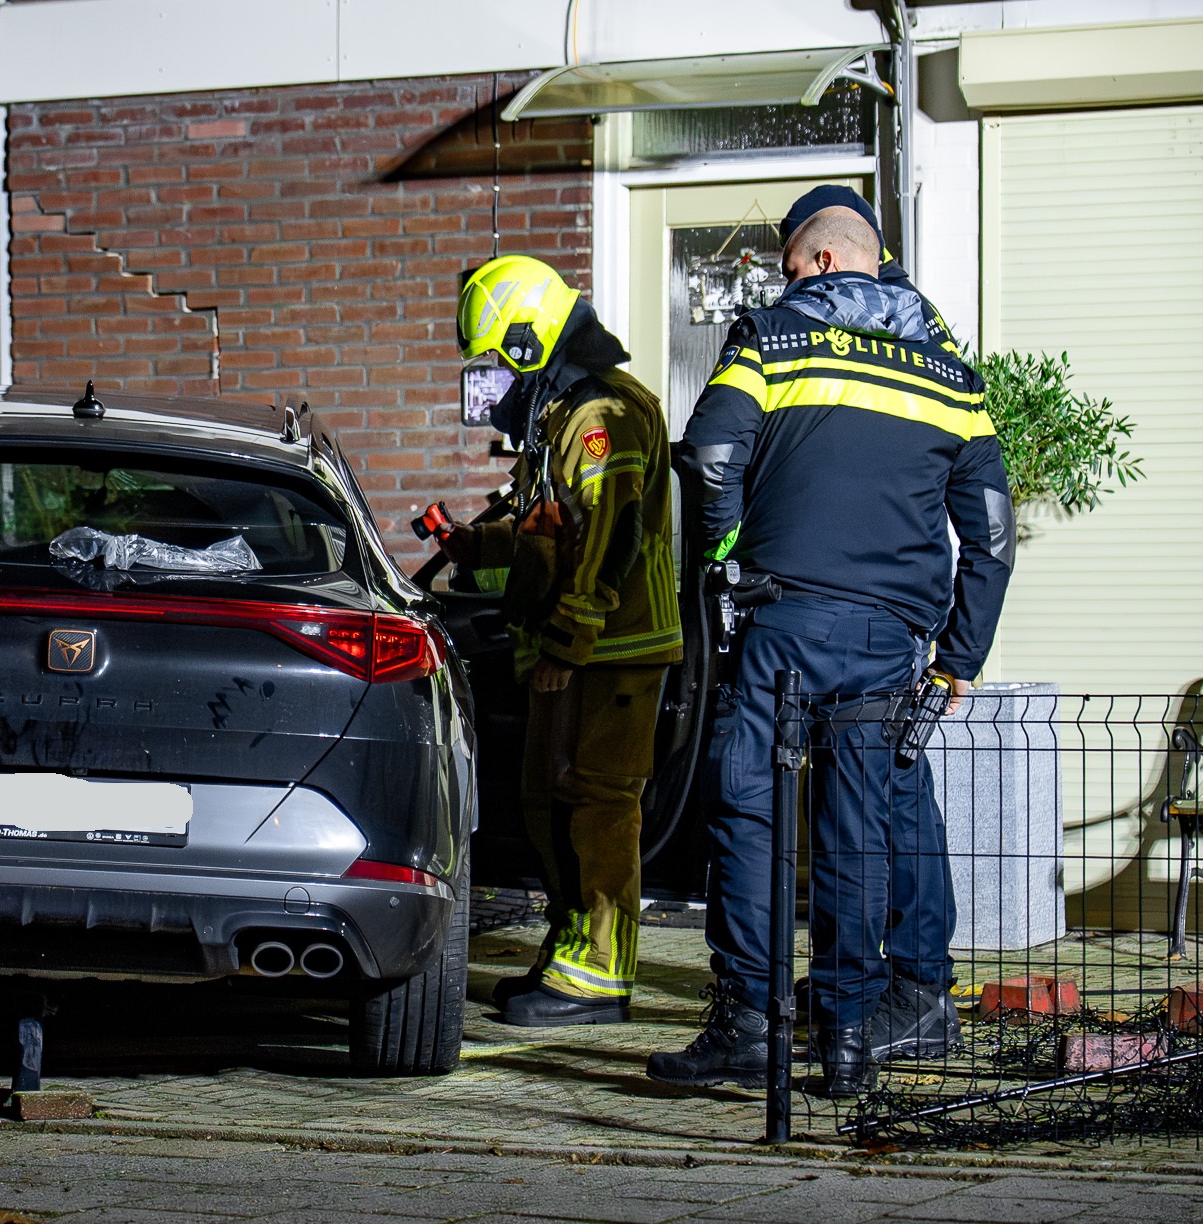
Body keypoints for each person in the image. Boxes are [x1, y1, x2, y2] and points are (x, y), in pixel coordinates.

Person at [645, 200, 1014, 1095]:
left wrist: (724, 559)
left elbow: (711, 458)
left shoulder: (772, 339)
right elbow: (993, 533)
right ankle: (846, 1040)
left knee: (749, 808)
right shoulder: (949, 376)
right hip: (892, 641)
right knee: (861, 827)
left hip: (786, 623)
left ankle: (747, 1022)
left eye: (787, 267)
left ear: (813, 262)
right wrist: (959, 657)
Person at [434, 254, 682, 1027]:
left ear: (528, 339)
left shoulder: (602, 414)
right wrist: (478, 547)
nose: (494, 381)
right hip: (572, 647)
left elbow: (610, 534)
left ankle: (601, 974)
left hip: (610, 650)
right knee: (551, 802)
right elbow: (556, 528)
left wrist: (570, 641)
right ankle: (571, 946)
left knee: (599, 804)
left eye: (498, 359)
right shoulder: (564, 413)